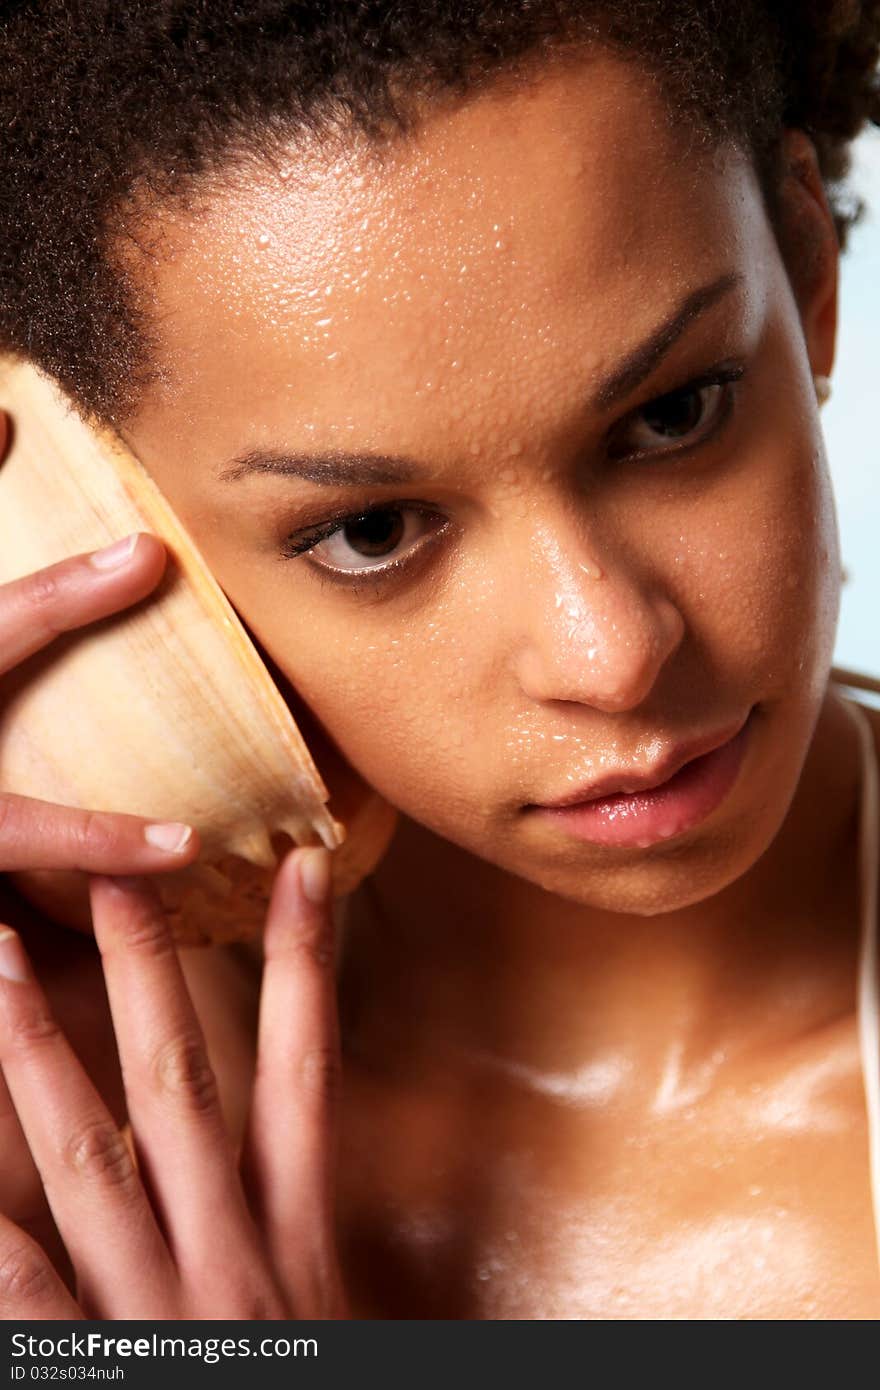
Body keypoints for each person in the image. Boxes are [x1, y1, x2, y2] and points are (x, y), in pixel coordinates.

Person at [0, 0, 879, 1319]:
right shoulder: (58, 1156)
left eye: (674, 412)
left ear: (806, 271)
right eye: (372, 530)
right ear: (102, 507)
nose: (616, 653)